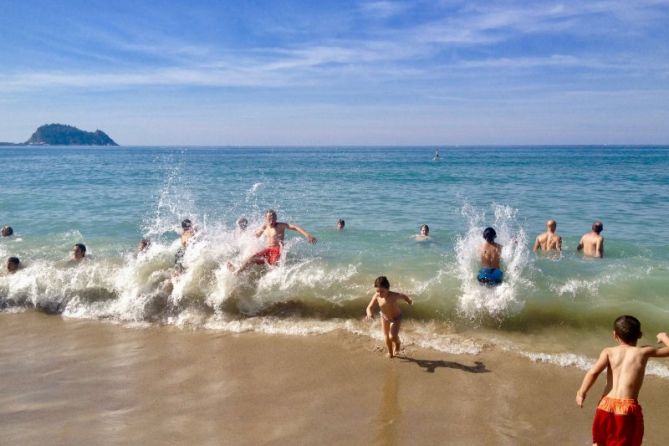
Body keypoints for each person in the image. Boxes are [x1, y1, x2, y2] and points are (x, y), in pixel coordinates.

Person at [576, 315, 669, 446]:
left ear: (615, 335)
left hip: (605, 405)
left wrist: (582, 392)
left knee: (600, 442)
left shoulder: (608, 352)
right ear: (640, 335)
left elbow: (594, 372)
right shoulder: (643, 351)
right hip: (627, 409)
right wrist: (664, 337)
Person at [232, 209, 317, 274]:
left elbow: (295, 227)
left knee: (273, 268)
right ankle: (237, 272)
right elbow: (256, 236)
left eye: (273, 218)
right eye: (269, 218)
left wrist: (307, 235)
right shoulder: (265, 226)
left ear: (276, 218)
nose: (271, 220)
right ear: (265, 218)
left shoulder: (280, 225)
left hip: (276, 250)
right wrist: (243, 230)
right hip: (267, 250)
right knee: (251, 259)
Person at [365, 276, 413, 358]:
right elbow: (369, 307)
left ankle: (397, 343)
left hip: (396, 318)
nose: (380, 294)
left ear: (388, 289)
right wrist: (369, 313)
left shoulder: (393, 295)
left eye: (382, 291)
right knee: (386, 336)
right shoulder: (377, 296)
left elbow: (403, 296)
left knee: (392, 336)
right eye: (377, 291)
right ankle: (390, 353)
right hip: (384, 317)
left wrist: (409, 301)